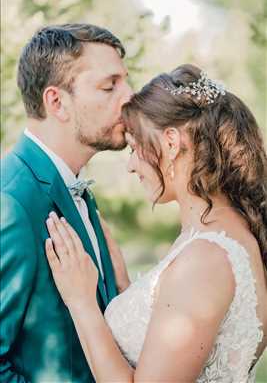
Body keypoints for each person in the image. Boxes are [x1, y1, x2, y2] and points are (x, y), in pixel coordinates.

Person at [45, 64, 267, 382]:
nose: (131, 166)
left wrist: (81, 302)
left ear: (172, 143)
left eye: (135, 148)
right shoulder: (224, 234)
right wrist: (124, 286)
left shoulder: (205, 260)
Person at [0, 23, 132, 382]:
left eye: (126, 81)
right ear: (57, 102)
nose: (129, 96)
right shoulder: (11, 202)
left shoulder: (77, 186)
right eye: (110, 86)